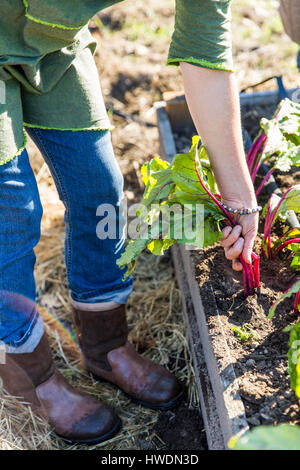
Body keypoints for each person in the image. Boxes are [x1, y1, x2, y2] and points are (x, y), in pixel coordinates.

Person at [0, 0, 259, 444]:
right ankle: (34, 380)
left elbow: (206, 57)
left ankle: (105, 348)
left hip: (53, 46)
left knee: (100, 188)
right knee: (13, 213)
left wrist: (239, 196)